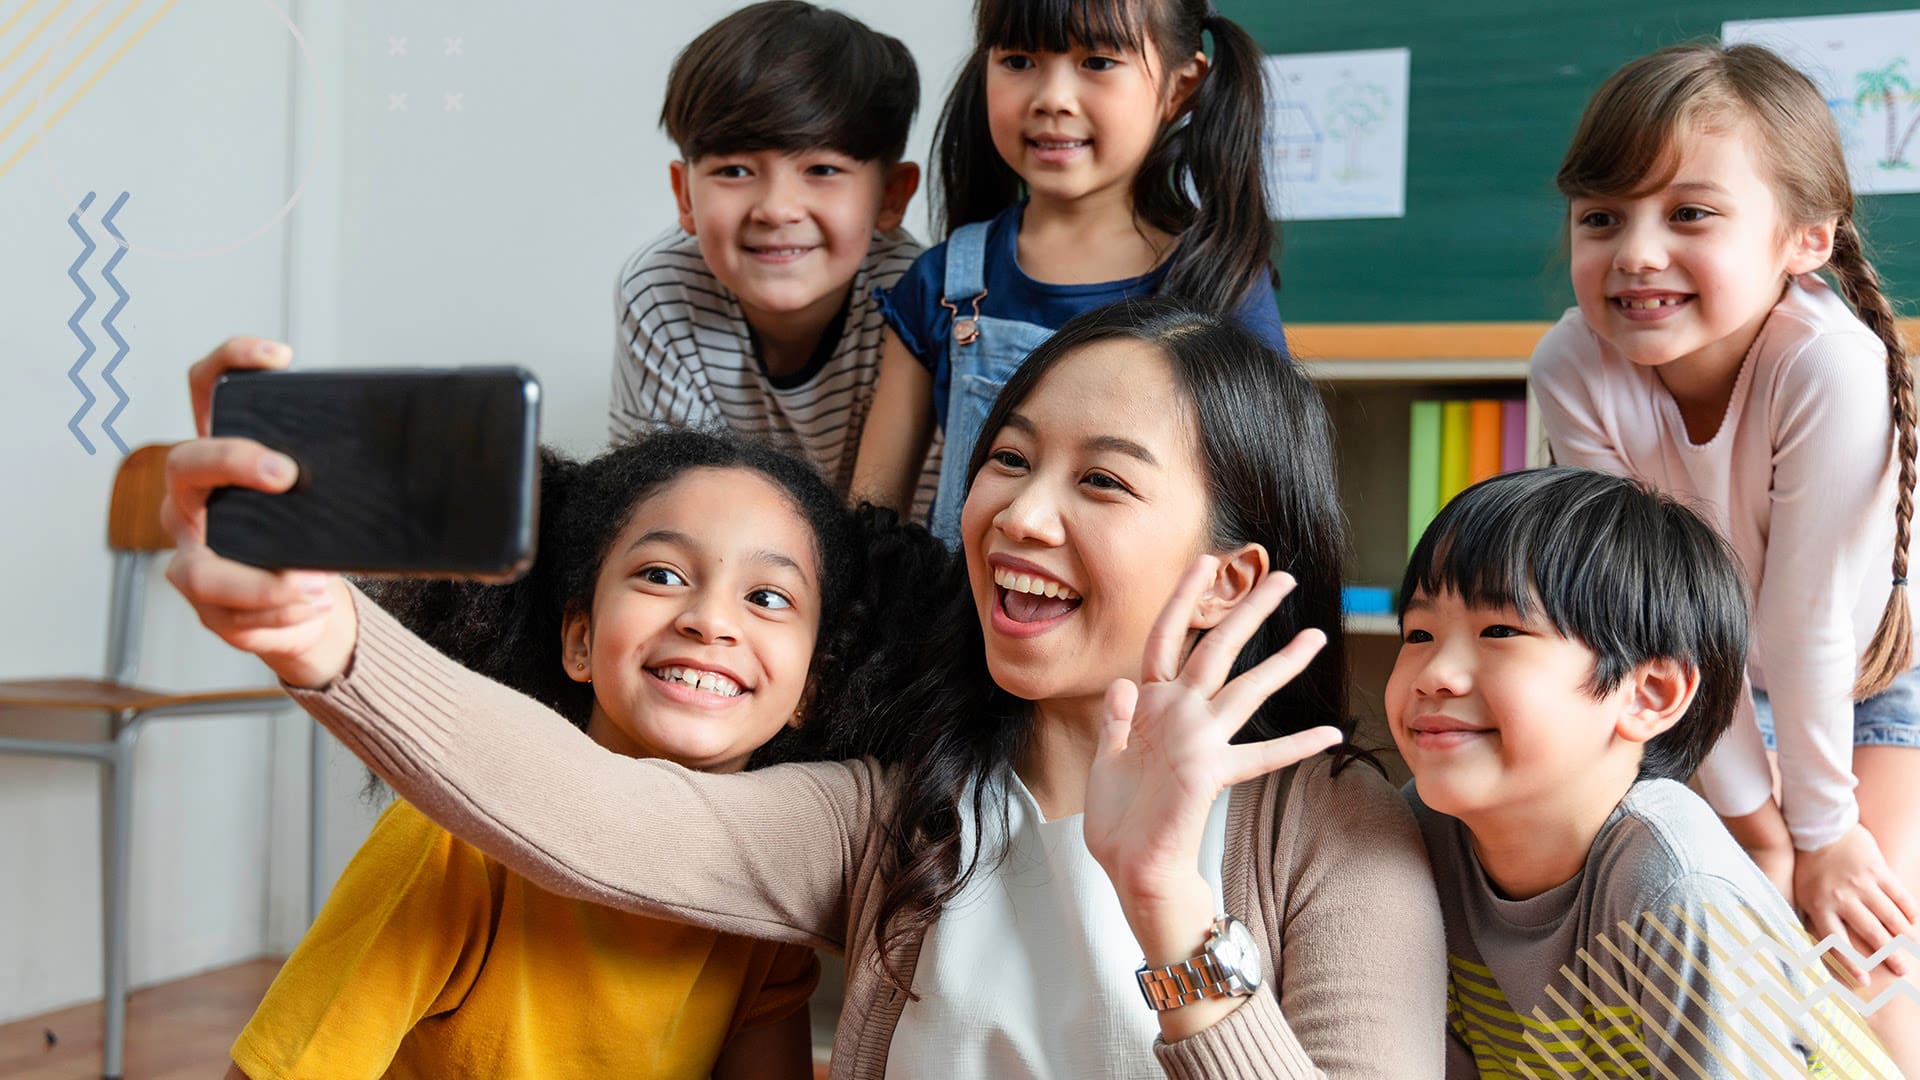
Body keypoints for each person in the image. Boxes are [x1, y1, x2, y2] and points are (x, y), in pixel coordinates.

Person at [166, 302, 1446, 1078]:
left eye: (1101, 482)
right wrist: (327, 636)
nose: (1017, 514)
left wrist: (1165, 899)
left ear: (1228, 580)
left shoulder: (1338, 833)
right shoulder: (905, 811)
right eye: (1007, 459)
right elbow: (607, 814)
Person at [213, 391, 946, 1078]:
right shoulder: (448, 849)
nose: (710, 620)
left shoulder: (765, 909)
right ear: (580, 641)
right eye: (661, 575)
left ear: (809, 691)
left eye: (766, 596)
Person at [1530, 42, 1920, 1065]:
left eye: (1689, 214)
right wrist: (1756, 831)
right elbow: (1656, 613)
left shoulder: (1831, 363)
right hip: (1693, 685)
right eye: (1601, 217)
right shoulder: (1574, 361)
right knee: (1738, 924)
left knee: (1857, 953)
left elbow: (1807, 627)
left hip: (1866, 675)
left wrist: (1824, 834)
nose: (1636, 254)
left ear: (1804, 240)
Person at [1390, 467, 1896, 1077]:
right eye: (1418, 633)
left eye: (1500, 630)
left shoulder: (1677, 886)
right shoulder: (1416, 835)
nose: (1434, 672)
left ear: (1648, 694)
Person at [850, 0, 1287, 543]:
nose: (1052, 98)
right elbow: (871, 525)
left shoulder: (1221, 285)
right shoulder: (941, 282)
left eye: (1098, 61)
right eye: (1018, 60)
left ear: (1181, 87)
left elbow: (1264, 517)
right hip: (958, 624)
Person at [611, 1, 939, 514]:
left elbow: (913, 534)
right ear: (684, 196)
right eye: (736, 171)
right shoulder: (661, 291)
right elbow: (661, 506)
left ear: (892, 195)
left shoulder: (918, 302)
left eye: (823, 170)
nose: (777, 209)